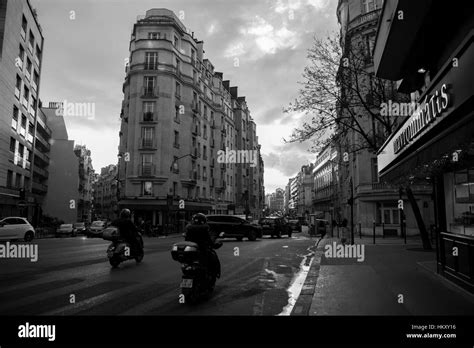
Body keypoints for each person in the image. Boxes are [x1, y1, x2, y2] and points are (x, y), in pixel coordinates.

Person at [184, 213, 220, 278]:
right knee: (213, 260)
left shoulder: (189, 228)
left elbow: (186, 240)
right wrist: (214, 245)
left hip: (191, 250)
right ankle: (215, 274)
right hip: (203, 249)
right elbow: (208, 240)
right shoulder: (204, 228)